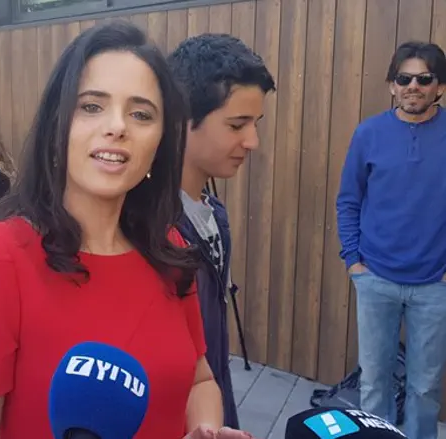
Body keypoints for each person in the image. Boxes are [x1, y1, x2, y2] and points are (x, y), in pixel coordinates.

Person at [0, 21, 255, 439]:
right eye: (91, 106)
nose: (117, 127)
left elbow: (199, 381)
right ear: (57, 125)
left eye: (141, 114)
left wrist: (206, 429)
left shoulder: (169, 248)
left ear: (159, 142)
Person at [336, 41, 446, 439]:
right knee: (374, 383)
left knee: (425, 389)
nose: (413, 86)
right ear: (391, 85)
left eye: (424, 78)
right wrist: (355, 264)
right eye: (404, 78)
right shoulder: (369, 133)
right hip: (375, 279)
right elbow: (349, 200)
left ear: (440, 87)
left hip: (435, 285)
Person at [167, 33, 276, 429]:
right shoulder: (147, 233)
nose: (253, 141)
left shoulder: (214, 215)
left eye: (255, 123)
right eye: (237, 124)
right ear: (182, 118)